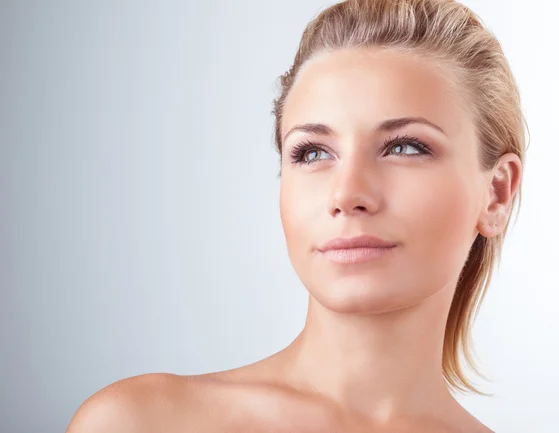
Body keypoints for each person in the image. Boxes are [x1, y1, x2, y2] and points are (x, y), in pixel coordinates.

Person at [66, 0, 525, 431]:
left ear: (497, 194)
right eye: (312, 153)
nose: (347, 194)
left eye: (404, 147)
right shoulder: (138, 423)